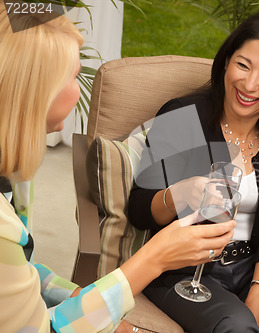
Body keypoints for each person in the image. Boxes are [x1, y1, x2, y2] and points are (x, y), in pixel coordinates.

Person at [0, 5, 236, 333]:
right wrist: (154, 257)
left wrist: (81, 300)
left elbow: (19, 271)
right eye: (74, 74)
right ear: (36, 92)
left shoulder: (10, 182)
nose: (79, 88)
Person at [127, 11, 259, 333]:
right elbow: (139, 209)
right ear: (226, 60)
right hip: (186, 268)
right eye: (243, 65)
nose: (250, 84)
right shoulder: (183, 116)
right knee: (237, 327)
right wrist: (177, 195)